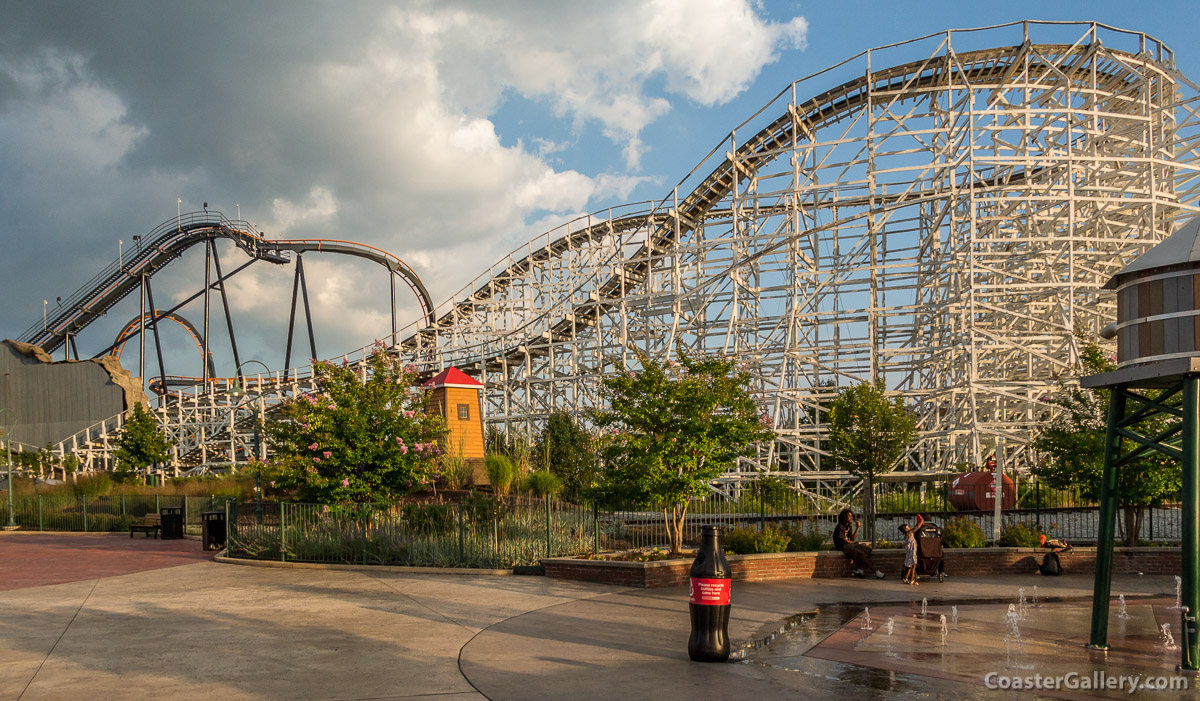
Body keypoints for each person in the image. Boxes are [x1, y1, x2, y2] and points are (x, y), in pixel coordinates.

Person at [833, 509, 886, 579]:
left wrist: (857, 528)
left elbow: (852, 538)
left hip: (849, 545)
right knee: (860, 553)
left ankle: (859, 569)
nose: (851, 517)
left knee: (867, 549)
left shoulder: (848, 526)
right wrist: (852, 543)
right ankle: (875, 572)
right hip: (842, 546)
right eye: (849, 516)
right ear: (844, 517)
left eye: (852, 516)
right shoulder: (840, 526)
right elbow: (843, 539)